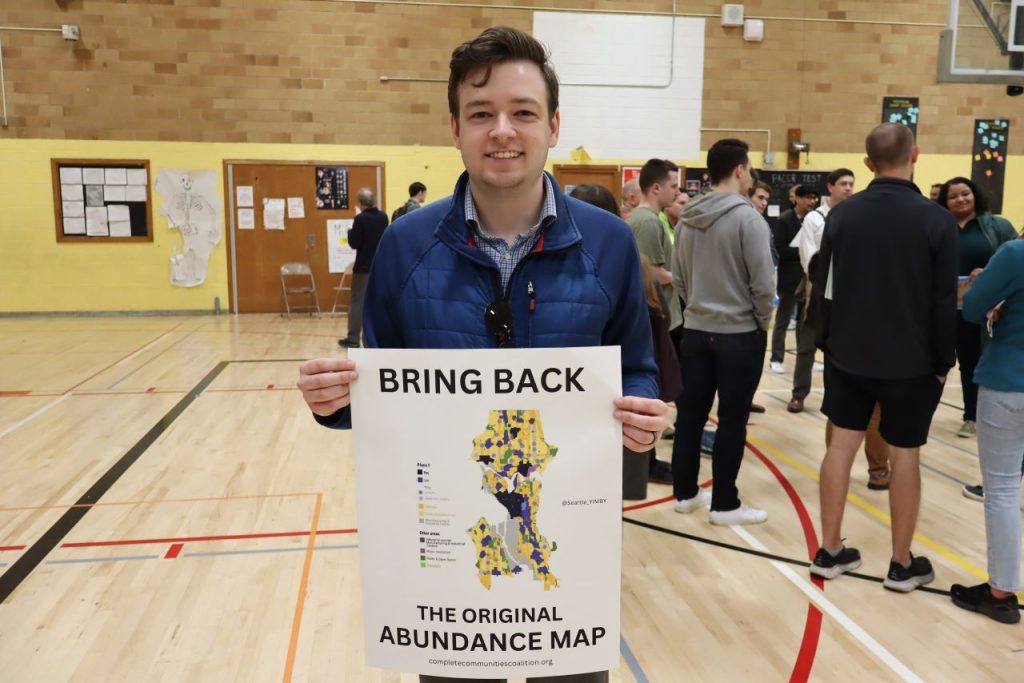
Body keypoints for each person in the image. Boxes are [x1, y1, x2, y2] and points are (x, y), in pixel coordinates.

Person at [297, 27, 669, 683]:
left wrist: (642, 411)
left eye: (523, 112)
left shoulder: (609, 243)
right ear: (455, 128)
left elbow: (636, 362)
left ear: (553, 125)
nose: (503, 130)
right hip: (446, 570)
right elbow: (376, 381)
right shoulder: (405, 245)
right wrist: (335, 401)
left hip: (566, 551)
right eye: (481, 113)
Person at [809, 123, 957, 592]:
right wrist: (942, 361)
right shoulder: (936, 220)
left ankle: (829, 549)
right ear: (915, 153)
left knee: (840, 447)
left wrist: (824, 340)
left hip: (848, 354)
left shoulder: (842, 216)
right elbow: (942, 301)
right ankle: (900, 562)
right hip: (911, 361)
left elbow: (825, 288)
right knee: (904, 454)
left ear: (868, 164)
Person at [670, 138, 775, 525]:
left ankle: (685, 493)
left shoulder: (686, 219)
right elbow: (763, 285)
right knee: (732, 419)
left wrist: (697, 307)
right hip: (738, 334)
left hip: (695, 332)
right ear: (740, 170)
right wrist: (760, 320)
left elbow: (679, 280)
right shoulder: (748, 218)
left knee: (690, 417)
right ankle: (725, 504)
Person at [950, 238, 1024, 624]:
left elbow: (974, 307)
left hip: (1011, 383)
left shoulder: (1016, 253)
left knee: (1003, 489)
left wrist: (991, 293)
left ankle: (1000, 591)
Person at [935, 177, 1019, 440]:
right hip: (943, 308)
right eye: (953, 196)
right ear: (944, 201)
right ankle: (920, 414)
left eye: (965, 193)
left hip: (984, 309)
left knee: (974, 362)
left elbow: (1014, 263)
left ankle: (972, 416)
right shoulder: (937, 227)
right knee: (935, 362)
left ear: (975, 195)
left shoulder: (998, 226)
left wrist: (988, 274)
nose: (961, 199)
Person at [787, 169, 855, 413]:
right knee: (806, 346)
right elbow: (808, 257)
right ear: (831, 187)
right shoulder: (814, 218)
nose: (848, 188)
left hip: (846, 293)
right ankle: (799, 394)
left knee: (840, 349)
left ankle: (837, 397)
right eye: (843, 184)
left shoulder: (854, 216)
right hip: (815, 290)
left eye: (851, 184)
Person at [628, 159, 683, 345]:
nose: (678, 192)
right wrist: (685, 280)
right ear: (656, 188)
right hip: (658, 319)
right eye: (674, 186)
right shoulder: (648, 221)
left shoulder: (651, 218)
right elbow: (651, 274)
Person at [770, 185, 818, 374]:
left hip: (807, 278)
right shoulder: (785, 220)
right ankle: (776, 357)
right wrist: (803, 252)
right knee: (783, 319)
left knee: (805, 322)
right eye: (807, 197)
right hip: (789, 277)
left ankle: (805, 358)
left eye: (814, 198)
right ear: (796, 199)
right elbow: (779, 249)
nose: (811, 202)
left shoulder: (813, 220)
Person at [338, 188, 388, 348]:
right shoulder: (383, 217)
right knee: (376, 305)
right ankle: (371, 340)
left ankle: (353, 338)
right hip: (380, 267)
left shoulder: (360, 219)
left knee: (357, 303)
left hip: (363, 267)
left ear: (361, 202)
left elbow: (354, 243)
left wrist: (351, 229)